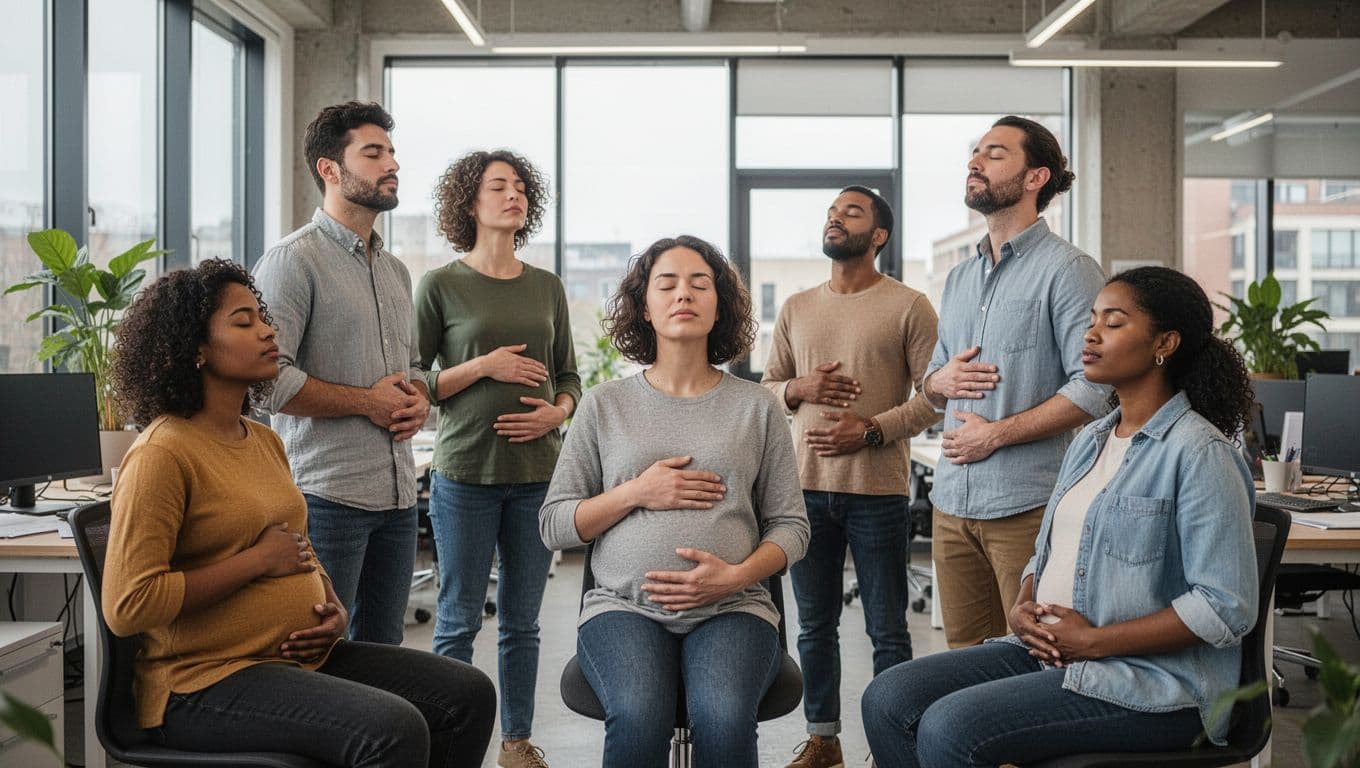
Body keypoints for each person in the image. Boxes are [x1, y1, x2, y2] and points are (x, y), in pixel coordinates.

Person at [101, 260, 496, 767]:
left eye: (261, 317)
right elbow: (130, 604)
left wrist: (333, 606)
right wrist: (257, 563)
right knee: (392, 731)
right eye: (243, 322)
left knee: (466, 695)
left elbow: (296, 546)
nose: (268, 330)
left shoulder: (263, 439)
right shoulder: (163, 453)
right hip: (201, 682)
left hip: (291, 660)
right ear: (194, 350)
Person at [862, 266, 1259, 767]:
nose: (1091, 334)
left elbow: (1225, 606)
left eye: (1113, 323)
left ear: (1166, 342)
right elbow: (1048, 552)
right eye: (1092, 319)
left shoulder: (1199, 453)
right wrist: (1024, 603)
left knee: (949, 728)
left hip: (1155, 683)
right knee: (887, 698)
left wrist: (1095, 641)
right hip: (1053, 653)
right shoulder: (1091, 442)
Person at [540, 235, 810, 768]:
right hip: (622, 607)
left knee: (725, 715)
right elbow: (555, 524)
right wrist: (637, 492)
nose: (683, 293)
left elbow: (791, 527)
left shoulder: (756, 407)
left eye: (699, 283)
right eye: (667, 283)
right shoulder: (603, 405)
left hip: (734, 607)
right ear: (645, 306)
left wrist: (734, 576)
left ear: (719, 305)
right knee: (640, 715)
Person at [760, 186, 940, 768]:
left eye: (851, 213)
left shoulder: (910, 306)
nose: (836, 219)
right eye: (832, 213)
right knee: (814, 627)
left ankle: (898, 744)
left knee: (888, 630)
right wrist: (800, 389)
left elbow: (934, 398)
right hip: (804, 491)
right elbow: (768, 391)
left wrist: (868, 431)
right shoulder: (796, 307)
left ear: (879, 235)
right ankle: (823, 739)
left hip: (879, 494)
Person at [414, 149, 580, 768]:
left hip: (538, 477)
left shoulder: (548, 287)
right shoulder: (440, 285)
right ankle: (448, 746)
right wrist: (485, 365)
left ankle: (515, 742)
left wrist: (557, 412)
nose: (514, 195)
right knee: (457, 620)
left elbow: (569, 374)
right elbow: (415, 382)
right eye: (498, 186)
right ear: (470, 203)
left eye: (520, 187)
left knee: (522, 623)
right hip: (465, 476)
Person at [924, 115, 1110, 649]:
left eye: (995, 153)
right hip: (952, 503)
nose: (974, 162)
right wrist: (941, 379)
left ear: (1035, 178)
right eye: (975, 152)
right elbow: (932, 380)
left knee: (1029, 658)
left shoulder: (1069, 270)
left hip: (1026, 505)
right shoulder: (960, 277)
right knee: (962, 663)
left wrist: (997, 433)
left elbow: (1095, 388)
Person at [252, 101, 428, 645]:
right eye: (372, 153)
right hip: (327, 499)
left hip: (398, 499)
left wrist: (419, 398)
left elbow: (414, 368)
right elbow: (266, 381)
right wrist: (366, 402)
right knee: (320, 651)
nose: (391, 165)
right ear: (330, 169)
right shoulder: (292, 262)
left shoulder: (395, 269)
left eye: (392, 152)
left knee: (386, 653)